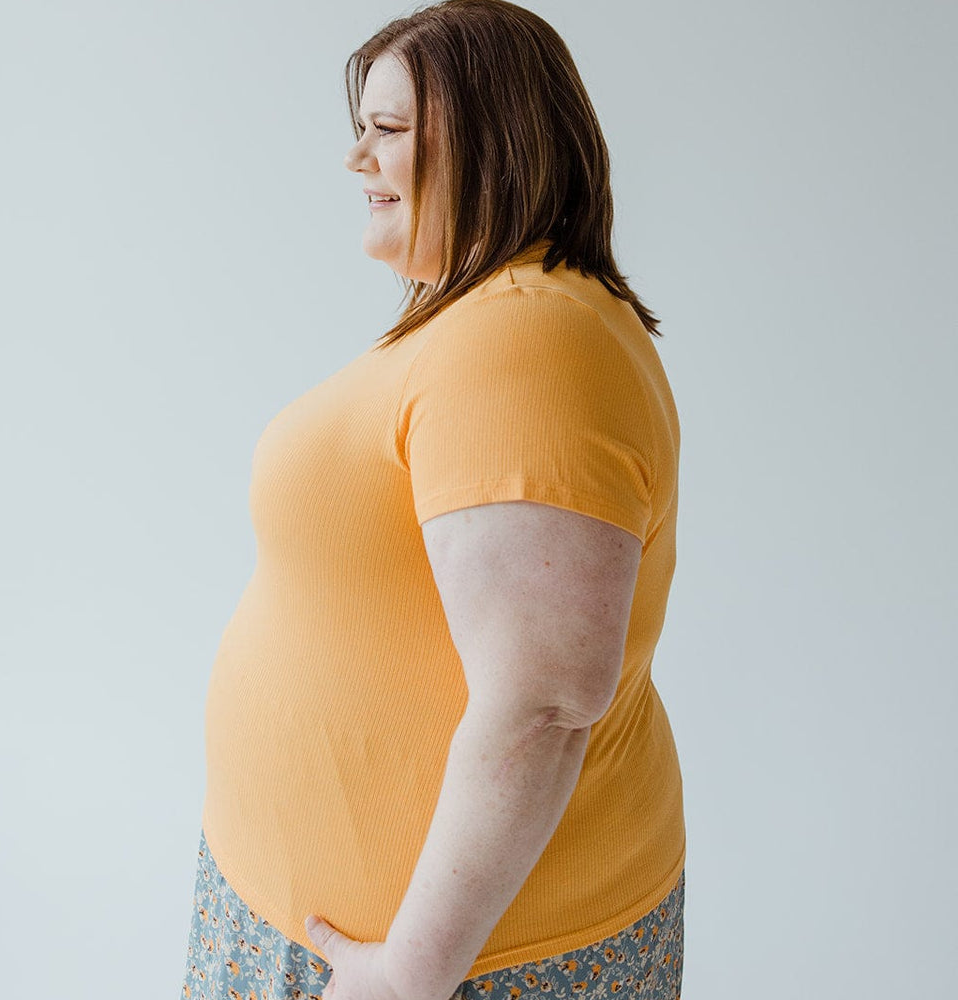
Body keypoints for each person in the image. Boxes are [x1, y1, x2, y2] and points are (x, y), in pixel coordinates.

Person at [179, 2, 686, 999]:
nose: (358, 159)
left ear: (494, 134)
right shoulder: (482, 316)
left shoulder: (528, 339)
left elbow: (543, 701)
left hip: (454, 963)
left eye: (391, 130)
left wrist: (409, 972)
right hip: (357, 933)